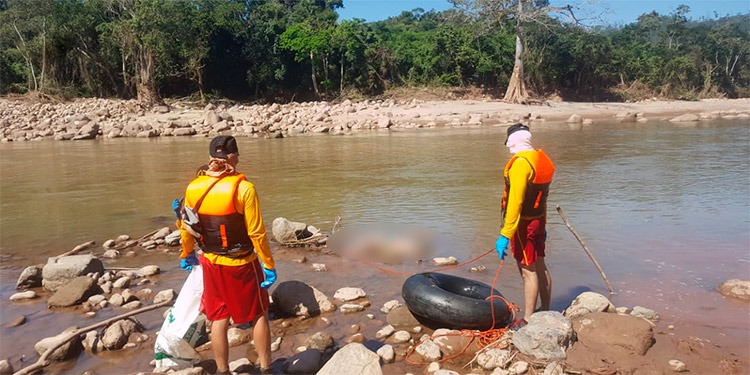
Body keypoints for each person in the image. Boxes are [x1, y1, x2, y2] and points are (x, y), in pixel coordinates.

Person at [178, 135, 277, 374]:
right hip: (242, 263)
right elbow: (256, 232)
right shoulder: (244, 188)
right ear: (233, 157)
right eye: (238, 154)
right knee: (258, 313)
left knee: (218, 317)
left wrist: (186, 253)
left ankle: (223, 371)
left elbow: (186, 227)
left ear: (211, 157)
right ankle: (266, 368)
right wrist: (268, 264)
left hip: (210, 262)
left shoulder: (193, 187)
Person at [494, 124, 555, 329]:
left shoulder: (521, 164)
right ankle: (545, 309)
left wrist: (505, 234)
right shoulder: (542, 160)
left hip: (524, 225)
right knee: (540, 265)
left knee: (528, 272)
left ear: (513, 142)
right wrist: (543, 225)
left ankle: (528, 319)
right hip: (538, 221)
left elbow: (516, 202)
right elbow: (543, 198)